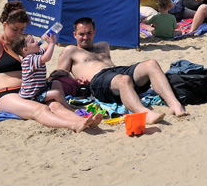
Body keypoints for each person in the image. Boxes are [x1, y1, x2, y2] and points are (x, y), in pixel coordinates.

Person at [0, 1, 102, 132]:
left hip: (32, 91)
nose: (18, 33)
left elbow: (40, 59)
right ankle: (73, 125)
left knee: (56, 106)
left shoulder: (26, 45)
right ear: (5, 25)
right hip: (7, 94)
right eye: (15, 29)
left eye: (22, 29)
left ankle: (83, 121)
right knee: (40, 109)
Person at [57, 17, 187, 122]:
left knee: (151, 64)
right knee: (123, 80)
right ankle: (144, 113)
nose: (85, 37)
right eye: (81, 34)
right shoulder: (71, 50)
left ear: (94, 32)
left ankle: (174, 104)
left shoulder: (103, 45)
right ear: (75, 35)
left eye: (89, 33)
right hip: (99, 81)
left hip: (117, 71)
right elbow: (59, 76)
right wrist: (75, 80)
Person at [9, 32, 70, 108]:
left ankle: (64, 103)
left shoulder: (36, 53)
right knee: (57, 93)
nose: (36, 41)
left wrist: (52, 41)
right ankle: (68, 107)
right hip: (32, 96)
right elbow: (46, 58)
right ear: (25, 50)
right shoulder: (29, 59)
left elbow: (46, 49)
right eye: (32, 42)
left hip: (40, 89)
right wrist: (51, 44)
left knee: (57, 83)